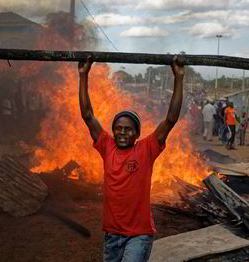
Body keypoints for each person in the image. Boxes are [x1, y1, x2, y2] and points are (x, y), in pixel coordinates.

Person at [78, 56, 184, 262]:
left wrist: (178, 78)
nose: (122, 133)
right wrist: (83, 75)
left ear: (137, 134)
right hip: (111, 235)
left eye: (128, 129)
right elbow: (88, 115)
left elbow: (170, 119)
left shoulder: (146, 149)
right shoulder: (106, 147)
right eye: (118, 129)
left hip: (139, 235)